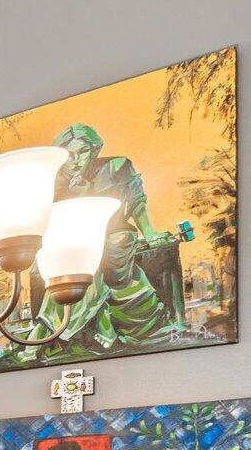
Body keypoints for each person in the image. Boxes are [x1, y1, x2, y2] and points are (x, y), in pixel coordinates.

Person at [37, 122, 185, 357]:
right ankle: (67, 328)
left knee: (100, 254)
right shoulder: (56, 183)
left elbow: (137, 201)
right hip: (75, 241)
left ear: (93, 149)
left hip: (115, 233)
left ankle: (55, 330)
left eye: (82, 152)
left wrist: (149, 233)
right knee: (69, 263)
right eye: (69, 155)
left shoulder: (116, 167)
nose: (75, 161)